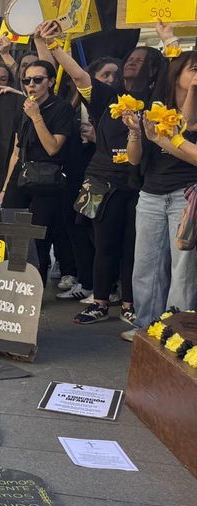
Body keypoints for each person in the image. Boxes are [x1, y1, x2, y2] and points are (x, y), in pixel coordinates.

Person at [43, 23, 165, 327]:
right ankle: (99, 302)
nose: (131, 63)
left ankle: (128, 304)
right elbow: (80, 76)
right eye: (130, 59)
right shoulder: (108, 98)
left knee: (131, 248)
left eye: (140, 60)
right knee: (104, 244)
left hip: (140, 185)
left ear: (155, 71)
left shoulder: (160, 104)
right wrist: (55, 46)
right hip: (103, 183)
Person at [121, 49, 197, 340]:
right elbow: (135, 159)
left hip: (186, 194)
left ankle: (175, 330)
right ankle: (145, 324)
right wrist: (135, 133)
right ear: (176, 74)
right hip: (151, 193)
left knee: (182, 268)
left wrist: (167, 139)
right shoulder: (157, 108)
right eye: (193, 69)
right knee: (146, 263)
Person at [0, 59, 77, 284]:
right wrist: (4, 188)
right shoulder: (25, 107)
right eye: (26, 80)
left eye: (38, 80)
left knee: (37, 234)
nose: (31, 85)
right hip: (22, 173)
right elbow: (16, 150)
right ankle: (19, 279)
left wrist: (36, 117)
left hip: (46, 177)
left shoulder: (60, 109)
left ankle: (35, 283)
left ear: (49, 82)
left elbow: (52, 147)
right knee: (12, 227)